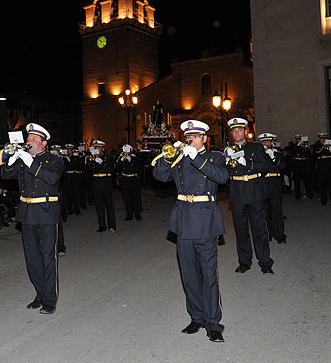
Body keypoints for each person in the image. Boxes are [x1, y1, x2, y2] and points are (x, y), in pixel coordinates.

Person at [152, 120, 228, 342]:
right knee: (189, 275)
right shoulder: (179, 157)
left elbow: (222, 177)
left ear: (205, 138)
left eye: (195, 136)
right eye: (188, 136)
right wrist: (168, 156)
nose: (191, 140)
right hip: (184, 221)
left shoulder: (215, 157)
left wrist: (197, 159)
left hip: (205, 220)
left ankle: (213, 323)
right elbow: (159, 176)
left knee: (209, 275)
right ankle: (197, 317)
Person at [0, 123, 64, 314]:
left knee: (47, 258)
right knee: (33, 259)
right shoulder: (23, 159)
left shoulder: (54, 160)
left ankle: (50, 300)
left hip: (46, 213)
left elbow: (52, 179)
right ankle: (40, 294)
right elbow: (4, 174)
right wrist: (11, 158)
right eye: (28, 139)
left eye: (34, 139)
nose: (29, 142)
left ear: (44, 143)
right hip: (27, 214)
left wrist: (30, 162)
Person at [225, 118, 274, 274]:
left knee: (259, 229)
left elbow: (266, 166)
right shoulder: (227, 150)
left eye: (239, 130)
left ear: (246, 131)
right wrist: (227, 160)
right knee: (241, 230)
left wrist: (246, 162)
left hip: (255, 191)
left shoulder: (257, 147)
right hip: (238, 192)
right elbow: (223, 174)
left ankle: (265, 262)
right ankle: (244, 261)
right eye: (233, 130)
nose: (236, 133)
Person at [260, 133, 287, 244]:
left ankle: (280, 234)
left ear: (272, 142)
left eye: (268, 141)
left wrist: (273, 158)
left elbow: (283, 167)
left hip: (275, 184)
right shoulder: (259, 154)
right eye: (264, 142)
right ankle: (268, 233)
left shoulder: (278, 154)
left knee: (277, 210)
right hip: (264, 183)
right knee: (265, 211)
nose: (266, 144)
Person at [84, 140, 116, 232]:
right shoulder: (91, 158)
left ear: (103, 149)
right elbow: (86, 169)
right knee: (99, 207)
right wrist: (90, 161)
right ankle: (102, 226)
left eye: (99, 147)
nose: (97, 149)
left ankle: (112, 226)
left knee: (109, 207)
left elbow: (111, 169)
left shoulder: (108, 158)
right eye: (96, 147)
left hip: (106, 184)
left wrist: (101, 162)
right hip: (96, 185)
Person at [116, 144, 143, 220]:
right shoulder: (122, 159)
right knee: (126, 199)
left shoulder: (136, 159)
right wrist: (121, 161)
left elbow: (138, 169)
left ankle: (137, 215)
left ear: (131, 151)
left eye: (128, 152)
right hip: (125, 180)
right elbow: (117, 167)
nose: (126, 153)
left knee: (135, 198)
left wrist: (131, 161)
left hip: (133, 180)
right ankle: (129, 215)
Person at [313, 133, 331, 206]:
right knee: (322, 184)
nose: (323, 139)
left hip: (329, 165)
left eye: (324, 138)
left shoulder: (329, 145)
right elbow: (316, 154)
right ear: (319, 138)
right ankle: (323, 200)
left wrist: (330, 148)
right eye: (322, 138)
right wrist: (323, 147)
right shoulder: (316, 145)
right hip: (321, 165)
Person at [291, 134, 313, 199]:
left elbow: (308, 154)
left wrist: (304, 147)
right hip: (297, 164)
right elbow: (293, 153)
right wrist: (298, 146)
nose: (299, 140)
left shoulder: (305, 147)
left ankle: (309, 194)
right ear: (296, 140)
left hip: (304, 164)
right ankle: (297, 195)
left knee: (307, 180)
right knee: (296, 180)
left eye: (300, 139)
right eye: (298, 139)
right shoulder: (294, 146)